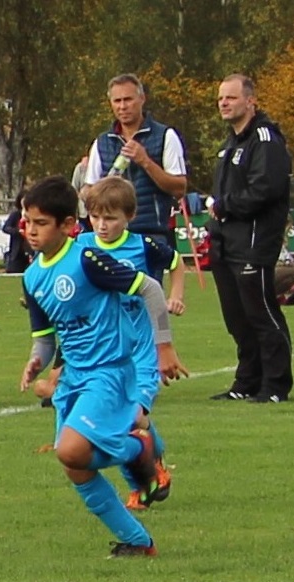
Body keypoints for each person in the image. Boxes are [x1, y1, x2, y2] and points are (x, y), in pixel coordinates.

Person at [17, 176, 188, 557]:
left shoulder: (87, 259)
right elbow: (45, 337)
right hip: (74, 377)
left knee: (70, 450)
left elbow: (151, 289)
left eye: (41, 223)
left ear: (66, 225)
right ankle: (138, 541)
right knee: (75, 464)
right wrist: (35, 361)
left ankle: (136, 450)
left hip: (109, 371)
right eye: (27, 221)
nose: (31, 230)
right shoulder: (31, 276)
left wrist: (164, 347)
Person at [77, 176, 182, 509]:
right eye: (96, 217)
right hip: (106, 350)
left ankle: (145, 477)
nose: (102, 225)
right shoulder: (82, 246)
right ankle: (152, 467)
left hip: (143, 348)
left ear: (129, 217)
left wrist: (174, 296)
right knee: (122, 417)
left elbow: (177, 264)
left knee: (130, 417)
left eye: (110, 218)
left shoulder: (143, 246)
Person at [207, 74, 294, 404]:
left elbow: (265, 189)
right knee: (237, 318)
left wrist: (224, 205)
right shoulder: (230, 143)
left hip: (254, 242)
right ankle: (246, 381)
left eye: (230, 97)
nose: (224, 104)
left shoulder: (265, 139)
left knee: (261, 313)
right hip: (226, 243)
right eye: (220, 99)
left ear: (250, 101)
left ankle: (275, 385)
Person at [83, 74, 188, 248]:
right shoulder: (102, 142)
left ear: (142, 99)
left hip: (150, 233)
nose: (122, 106)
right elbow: (88, 189)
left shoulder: (165, 136)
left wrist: (145, 161)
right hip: (110, 238)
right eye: (117, 101)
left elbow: (179, 188)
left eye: (128, 100)